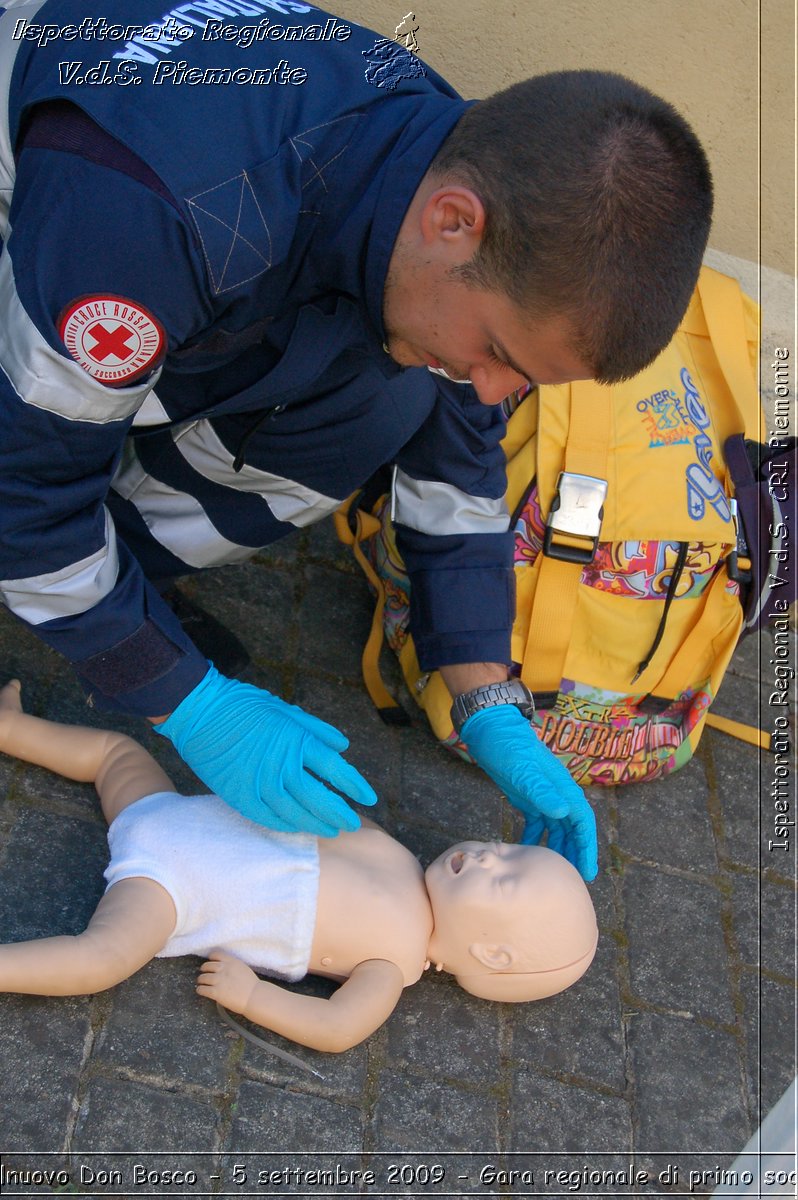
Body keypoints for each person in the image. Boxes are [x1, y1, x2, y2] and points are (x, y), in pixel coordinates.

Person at [0, 0, 714, 881]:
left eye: (524, 380)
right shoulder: (159, 216)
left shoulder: (449, 164)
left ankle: (117, 577)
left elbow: (460, 463)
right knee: (36, 498)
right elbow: (22, 501)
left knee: (392, 397)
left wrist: (488, 698)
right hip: (56, 223)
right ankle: (91, 597)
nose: (496, 393)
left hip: (156, 249)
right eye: (498, 354)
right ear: (455, 222)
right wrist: (181, 696)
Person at [0, 680, 598, 1052]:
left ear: (492, 955)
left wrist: (254, 998)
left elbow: (338, 1029)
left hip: (168, 892)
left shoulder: (392, 964)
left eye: (507, 879)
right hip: (165, 813)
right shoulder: (399, 857)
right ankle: (12, 728)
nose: (494, 854)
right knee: (115, 752)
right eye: (513, 849)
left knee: (102, 957)